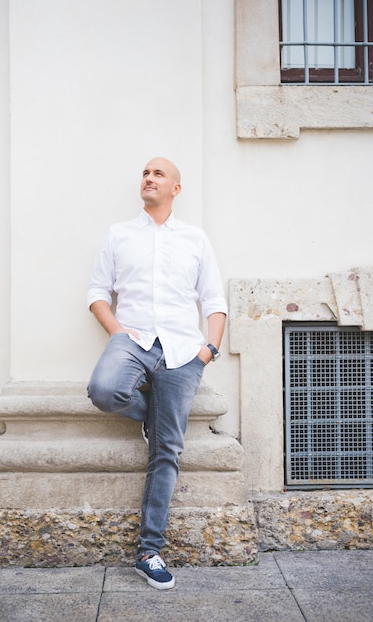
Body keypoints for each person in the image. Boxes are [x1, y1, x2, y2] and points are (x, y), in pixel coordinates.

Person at [87, 157, 227, 589]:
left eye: (158, 174)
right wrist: (116, 330)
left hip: (183, 350)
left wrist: (208, 350)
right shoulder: (119, 234)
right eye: (145, 173)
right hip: (133, 340)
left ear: (175, 189)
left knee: (166, 451)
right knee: (104, 389)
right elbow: (97, 291)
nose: (149, 178)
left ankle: (149, 551)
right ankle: (151, 416)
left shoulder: (194, 239)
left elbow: (214, 300)